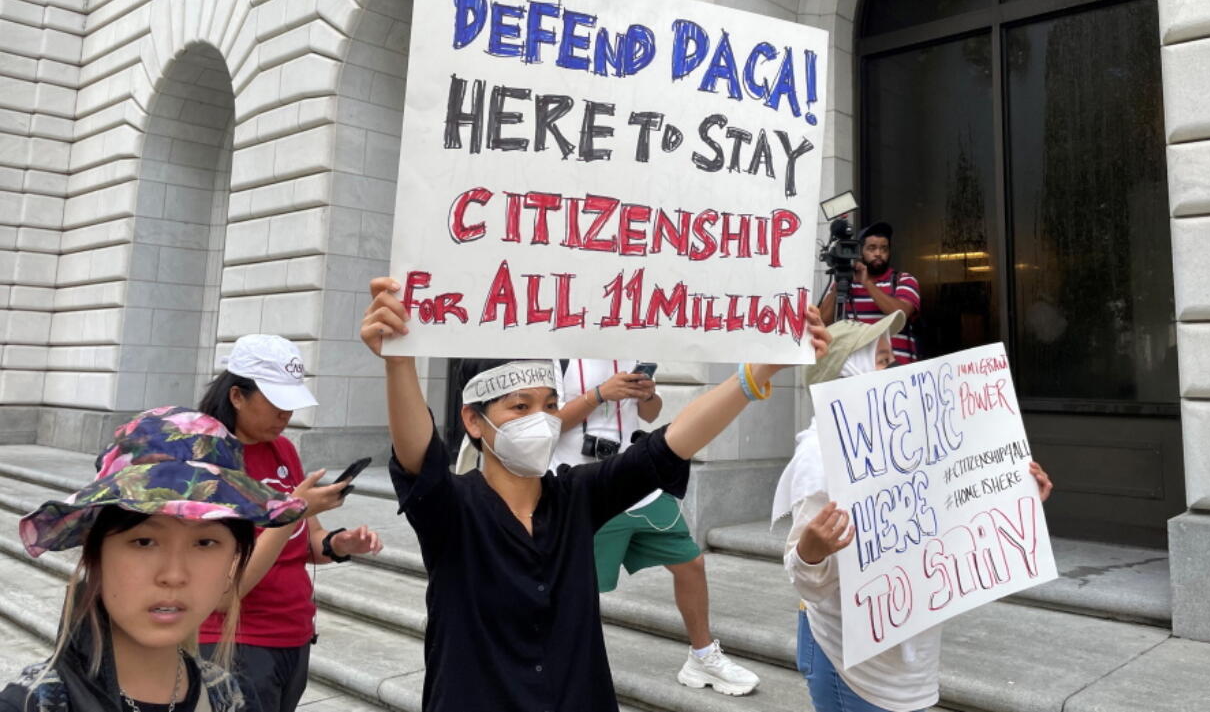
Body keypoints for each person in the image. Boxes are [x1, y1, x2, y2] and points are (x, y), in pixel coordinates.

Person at [359, 276, 831, 712]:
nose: (538, 420)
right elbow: (418, 453)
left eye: (548, 405)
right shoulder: (452, 509)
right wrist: (399, 364)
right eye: (518, 407)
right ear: (472, 421)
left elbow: (670, 442)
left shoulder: (575, 496)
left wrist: (763, 369)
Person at [775, 314, 1054, 712]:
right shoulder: (820, 457)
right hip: (849, 661)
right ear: (848, 374)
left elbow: (952, 517)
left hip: (909, 652)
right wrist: (812, 550)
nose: (899, 368)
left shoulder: (914, 444)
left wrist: (1015, 498)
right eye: (885, 361)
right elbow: (806, 581)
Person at [0, 406, 307, 712]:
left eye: (205, 542)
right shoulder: (36, 703)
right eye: (144, 541)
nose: (174, 575)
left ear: (233, 559)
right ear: (96, 553)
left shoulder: (229, 697)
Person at [196, 334, 384, 712]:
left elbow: (306, 541)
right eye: (277, 404)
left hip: (293, 635)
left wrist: (338, 544)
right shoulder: (208, 461)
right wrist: (293, 510)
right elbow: (226, 591)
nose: (287, 416)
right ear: (237, 396)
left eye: (292, 404)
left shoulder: (283, 450)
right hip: (235, 641)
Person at [550, 358, 760, 696]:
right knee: (575, 587)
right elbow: (544, 426)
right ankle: (557, 670)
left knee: (691, 562)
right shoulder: (556, 352)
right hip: (580, 484)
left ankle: (703, 656)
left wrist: (647, 396)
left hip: (637, 479)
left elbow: (650, 413)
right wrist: (600, 394)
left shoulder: (633, 345)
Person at [818, 221, 921, 363]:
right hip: (857, 373)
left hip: (897, 372)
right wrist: (840, 281)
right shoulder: (844, 284)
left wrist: (867, 284)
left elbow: (900, 314)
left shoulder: (903, 280)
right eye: (872, 248)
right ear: (860, 252)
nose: (878, 253)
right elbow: (822, 323)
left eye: (884, 249)